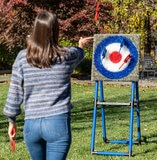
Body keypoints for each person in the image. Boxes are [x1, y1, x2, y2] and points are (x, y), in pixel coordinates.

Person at [3, 10, 93, 160]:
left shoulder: (22, 58)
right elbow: (79, 52)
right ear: (55, 31)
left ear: (35, 31)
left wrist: (11, 120)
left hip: (31, 125)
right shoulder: (66, 56)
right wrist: (81, 45)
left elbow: (14, 92)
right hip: (57, 123)